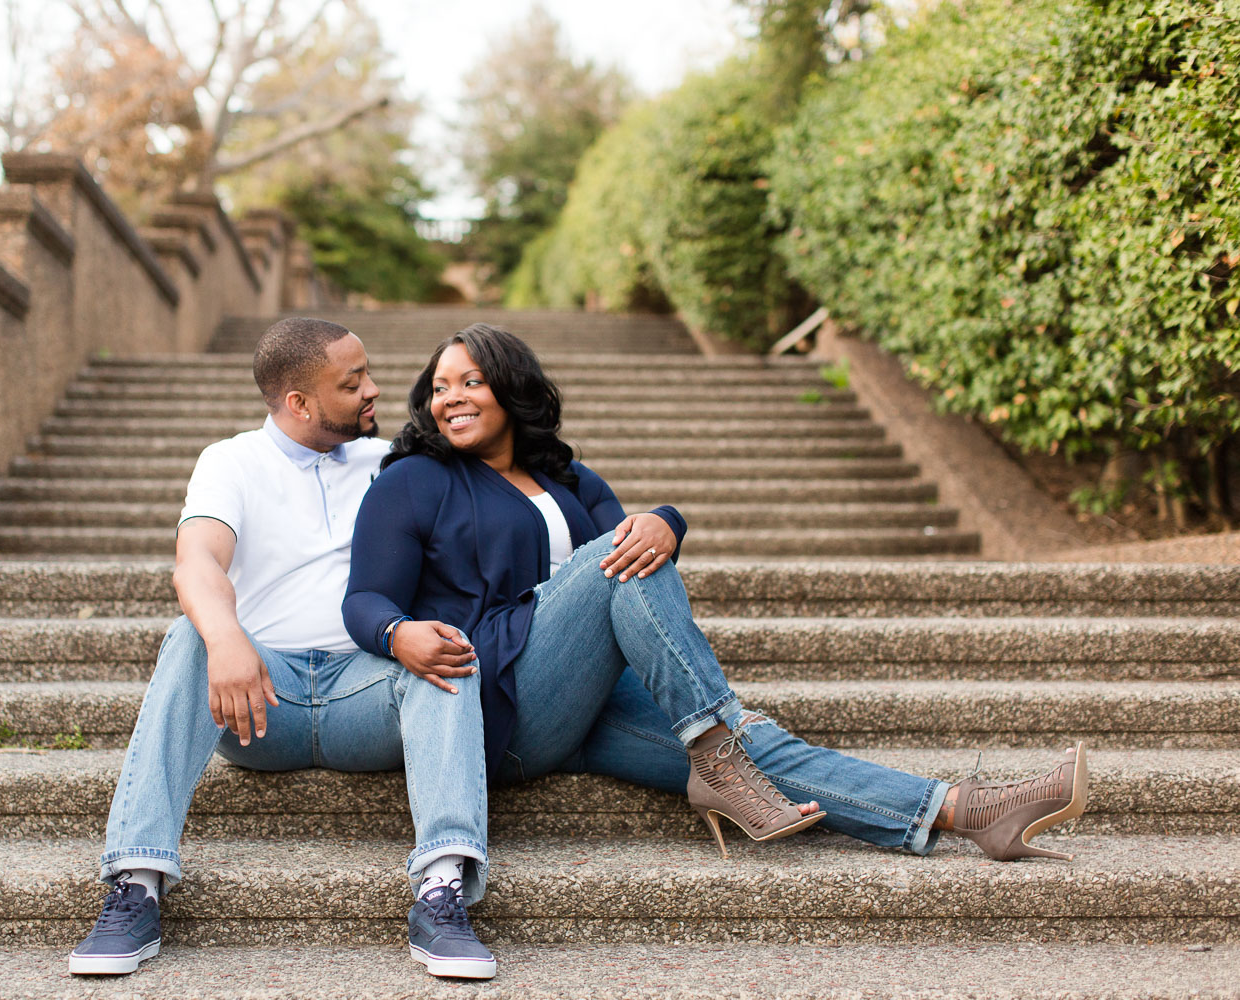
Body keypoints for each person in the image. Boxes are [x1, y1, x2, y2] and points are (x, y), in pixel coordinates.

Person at [343, 323, 1089, 868]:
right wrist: (398, 635)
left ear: (512, 388)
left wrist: (669, 523)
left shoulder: (572, 483)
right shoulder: (413, 481)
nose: (450, 399)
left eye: (470, 381)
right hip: (495, 701)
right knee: (631, 553)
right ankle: (714, 743)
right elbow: (366, 599)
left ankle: (966, 811)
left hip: (587, 702)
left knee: (758, 743)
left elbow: (639, 578)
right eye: (439, 387)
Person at [69, 318, 497, 980]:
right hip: (259, 703)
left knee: (446, 648)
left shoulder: (392, 463)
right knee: (188, 635)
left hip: (366, 693)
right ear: (298, 402)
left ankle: (441, 892)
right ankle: (135, 884)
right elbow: (197, 563)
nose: (374, 390)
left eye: (368, 376)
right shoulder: (231, 460)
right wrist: (227, 637)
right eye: (352, 383)